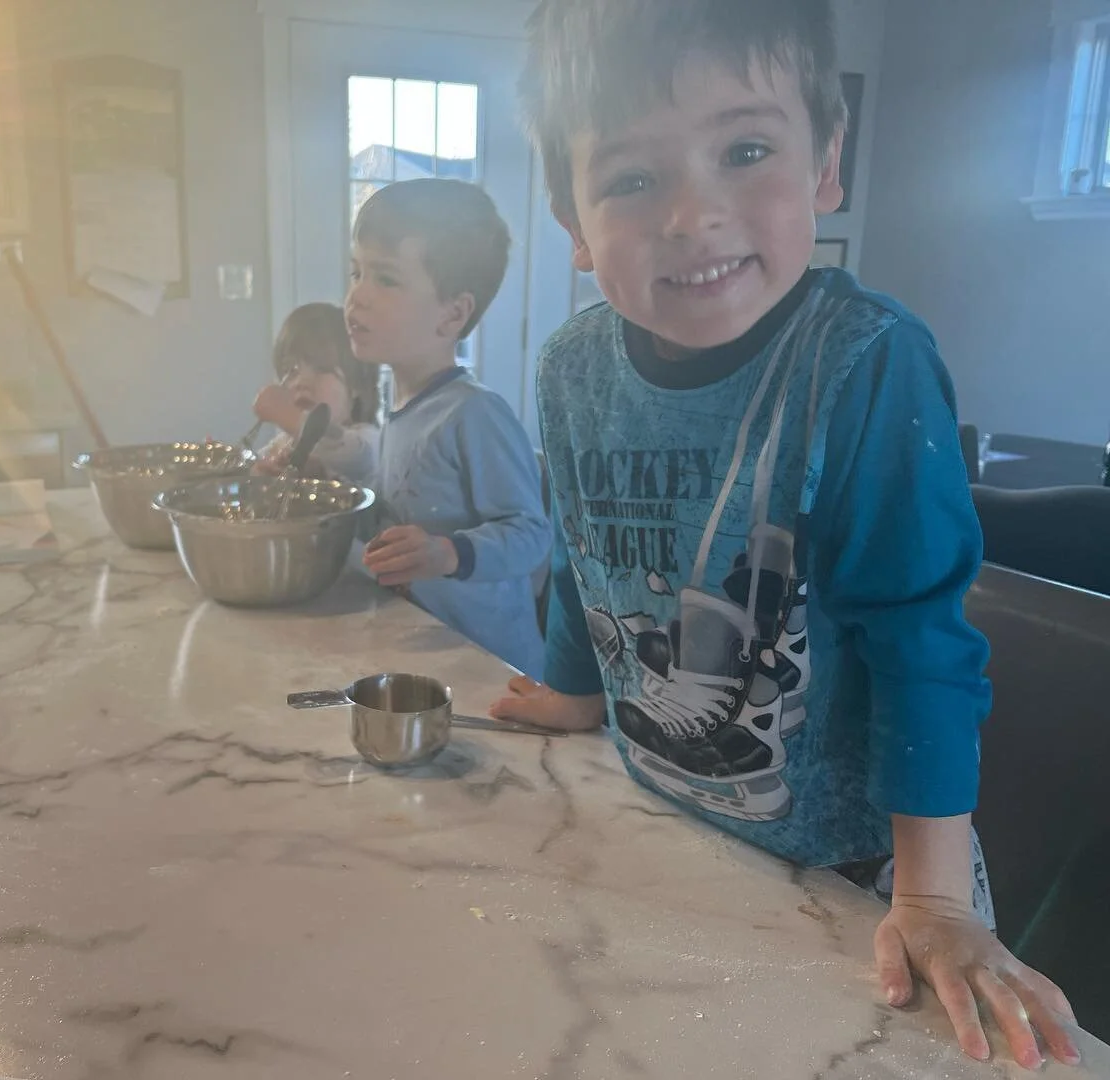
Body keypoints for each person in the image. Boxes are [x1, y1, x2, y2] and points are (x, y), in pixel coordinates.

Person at [490, 0, 1080, 1068]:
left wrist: (938, 899)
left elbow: (923, 641)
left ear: (825, 166)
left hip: (865, 883)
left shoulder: (863, 364)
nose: (691, 215)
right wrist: (577, 687)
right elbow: (589, 550)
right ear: (570, 223)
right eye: (632, 178)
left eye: (745, 150)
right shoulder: (569, 372)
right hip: (674, 834)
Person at [348, 179, 551, 680]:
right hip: (429, 651)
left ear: (453, 313)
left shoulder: (474, 414)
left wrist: (447, 553)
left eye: (386, 279)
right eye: (357, 272)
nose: (357, 296)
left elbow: (531, 535)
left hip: (492, 665)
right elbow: (400, 501)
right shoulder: (398, 404)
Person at [252, 302, 381, 487]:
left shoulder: (368, 439)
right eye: (291, 371)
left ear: (356, 385)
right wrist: (257, 473)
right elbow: (250, 470)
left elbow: (354, 455)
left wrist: (290, 417)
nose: (300, 382)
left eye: (321, 369)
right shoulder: (283, 443)